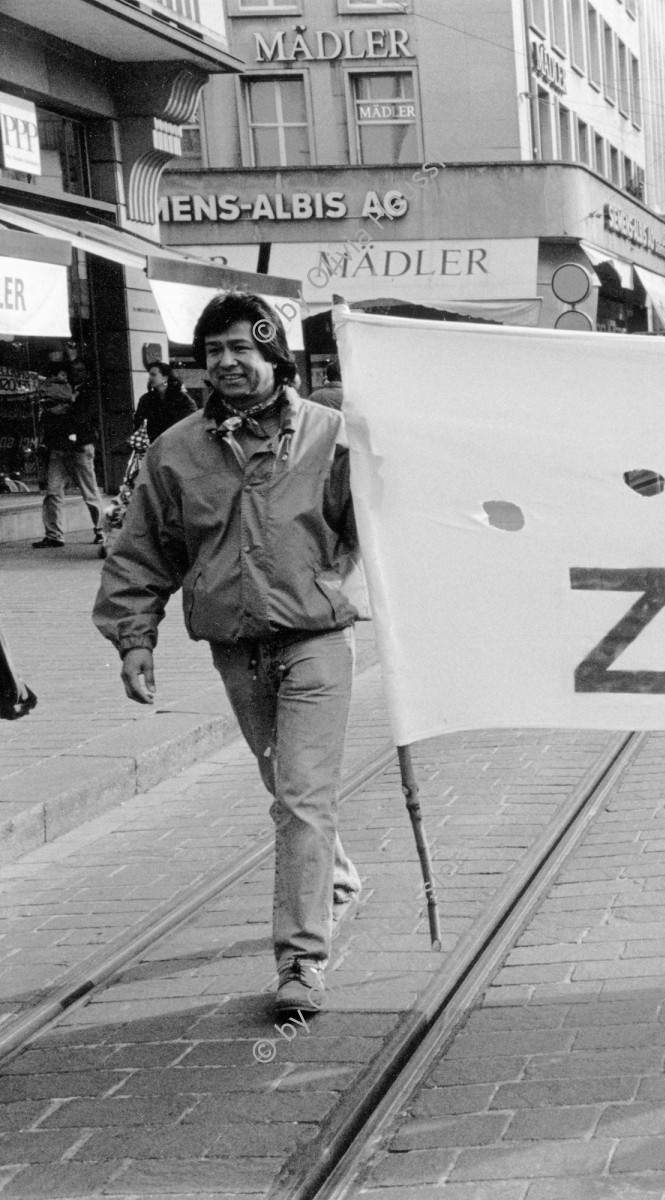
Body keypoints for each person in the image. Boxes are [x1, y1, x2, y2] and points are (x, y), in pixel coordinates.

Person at [94, 292, 366, 1017]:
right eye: (213, 350)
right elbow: (142, 551)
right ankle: (330, 872)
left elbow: (379, 523)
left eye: (242, 348)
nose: (226, 363)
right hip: (235, 649)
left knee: (302, 797)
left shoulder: (330, 437)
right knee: (286, 788)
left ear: (275, 356)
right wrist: (133, 637)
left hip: (314, 640)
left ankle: (302, 962)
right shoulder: (176, 450)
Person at [34, 363, 104, 549]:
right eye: (74, 371)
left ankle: (101, 530)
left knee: (89, 492)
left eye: (80, 370)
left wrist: (61, 413)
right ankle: (54, 535)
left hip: (79, 447)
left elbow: (80, 418)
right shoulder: (65, 390)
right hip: (60, 446)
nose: (75, 374)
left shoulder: (88, 392)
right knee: (53, 492)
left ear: (87, 373)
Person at [135, 361, 197, 443]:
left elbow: (191, 422)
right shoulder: (145, 399)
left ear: (165, 378)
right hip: (154, 445)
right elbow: (138, 424)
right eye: (149, 375)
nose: (150, 378)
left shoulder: (183, 399)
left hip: (178, 444)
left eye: (153, 375)